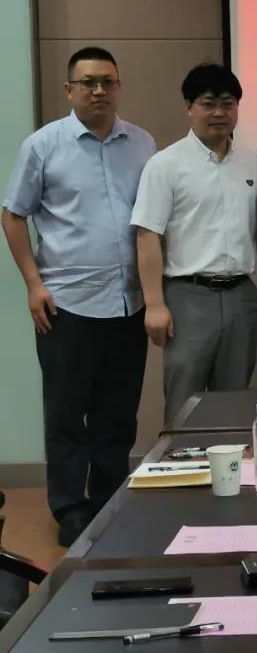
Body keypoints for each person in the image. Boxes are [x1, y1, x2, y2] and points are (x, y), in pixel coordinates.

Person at [1, 46, 155, 546]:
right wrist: (33, 283)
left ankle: (109, 503)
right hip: (65, 304)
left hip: (127, 304)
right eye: (88, 82)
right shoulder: (43, 145)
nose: (99, 90)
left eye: (108, 81)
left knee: (117, 415)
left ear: (119, 87)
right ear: (70, 90)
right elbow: (13, 215)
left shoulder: (143, 144)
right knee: (67, 417)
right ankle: (70, 508)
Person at [131, 63, 257, 422]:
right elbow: (147, 235)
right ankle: (181, 459)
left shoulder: (255, 164)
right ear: (189, 107)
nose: (218, 113)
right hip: (187, 296)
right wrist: (154, 304)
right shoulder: (165, 164)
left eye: (228, 104)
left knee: (235, 399)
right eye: (208, 103)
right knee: (184, 401)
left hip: (241, 294)